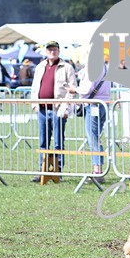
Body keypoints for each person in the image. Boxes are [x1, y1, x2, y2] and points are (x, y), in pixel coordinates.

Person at [29, 41, 77, 182]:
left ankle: (57, 171)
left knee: (58, 141)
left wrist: (66, 107)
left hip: (58, 109)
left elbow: (72, 88)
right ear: (46, 52)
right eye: (50, 49)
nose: (52, 52)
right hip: (42, 109)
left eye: (55, 49)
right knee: (43, 141)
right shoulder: (40, 67)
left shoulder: (67, 67)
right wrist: (35, 105)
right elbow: (34, 88)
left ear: (59, 51)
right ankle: (42, 171)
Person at [66, 60, 111, 184]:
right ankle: (98, 169)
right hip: (103, 104)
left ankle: (97, 171)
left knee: (93, 139)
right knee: (96, 138)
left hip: (93, 105)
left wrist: (74, 89)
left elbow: (87, 88)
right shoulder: (103, 66)